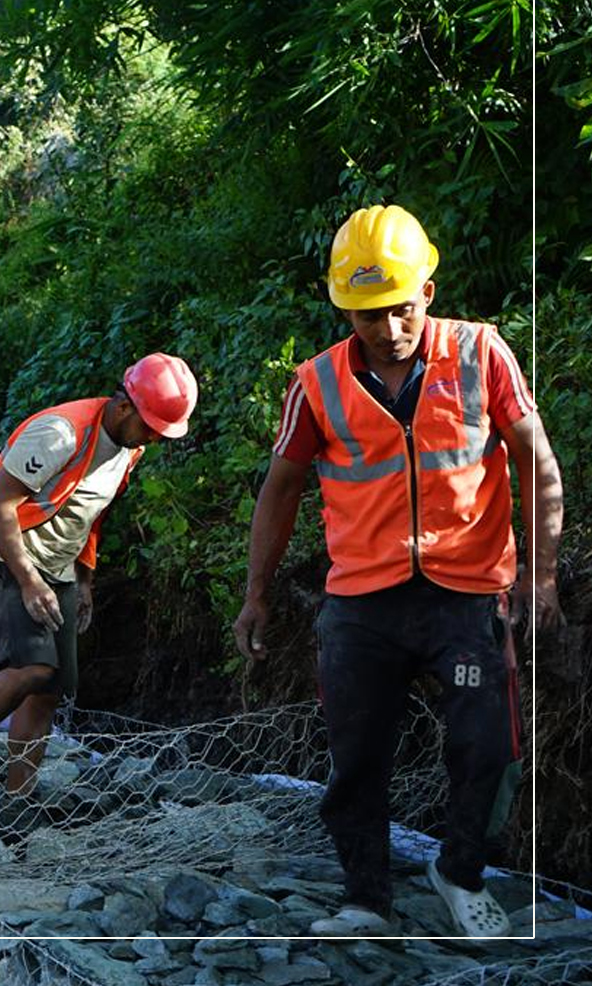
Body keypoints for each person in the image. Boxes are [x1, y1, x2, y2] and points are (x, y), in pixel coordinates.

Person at [231, 205, 561, 940]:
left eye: (400, 309)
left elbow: (538, 463)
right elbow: (279, 490)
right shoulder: (316, 383)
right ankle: (365, 897)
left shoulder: (481, 355)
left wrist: (541, 575)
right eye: (368, 314)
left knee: (485, 742)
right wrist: (256, 595)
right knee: (358, 752)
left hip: (465, 599)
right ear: (347, 309)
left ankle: (461, 871)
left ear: (430, 294)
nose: (387, 328)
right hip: (363, 606)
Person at [0, 353, 197, 796]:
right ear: (124, 407)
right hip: (7, 558)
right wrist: (29, 581)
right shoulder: (59, 435)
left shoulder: (129, 448)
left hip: (59, 569)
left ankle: (17, 797)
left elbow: (90, 514)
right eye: (151, 429)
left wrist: (84, 580)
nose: (154, 440)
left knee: (51, 689)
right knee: (32, 668)